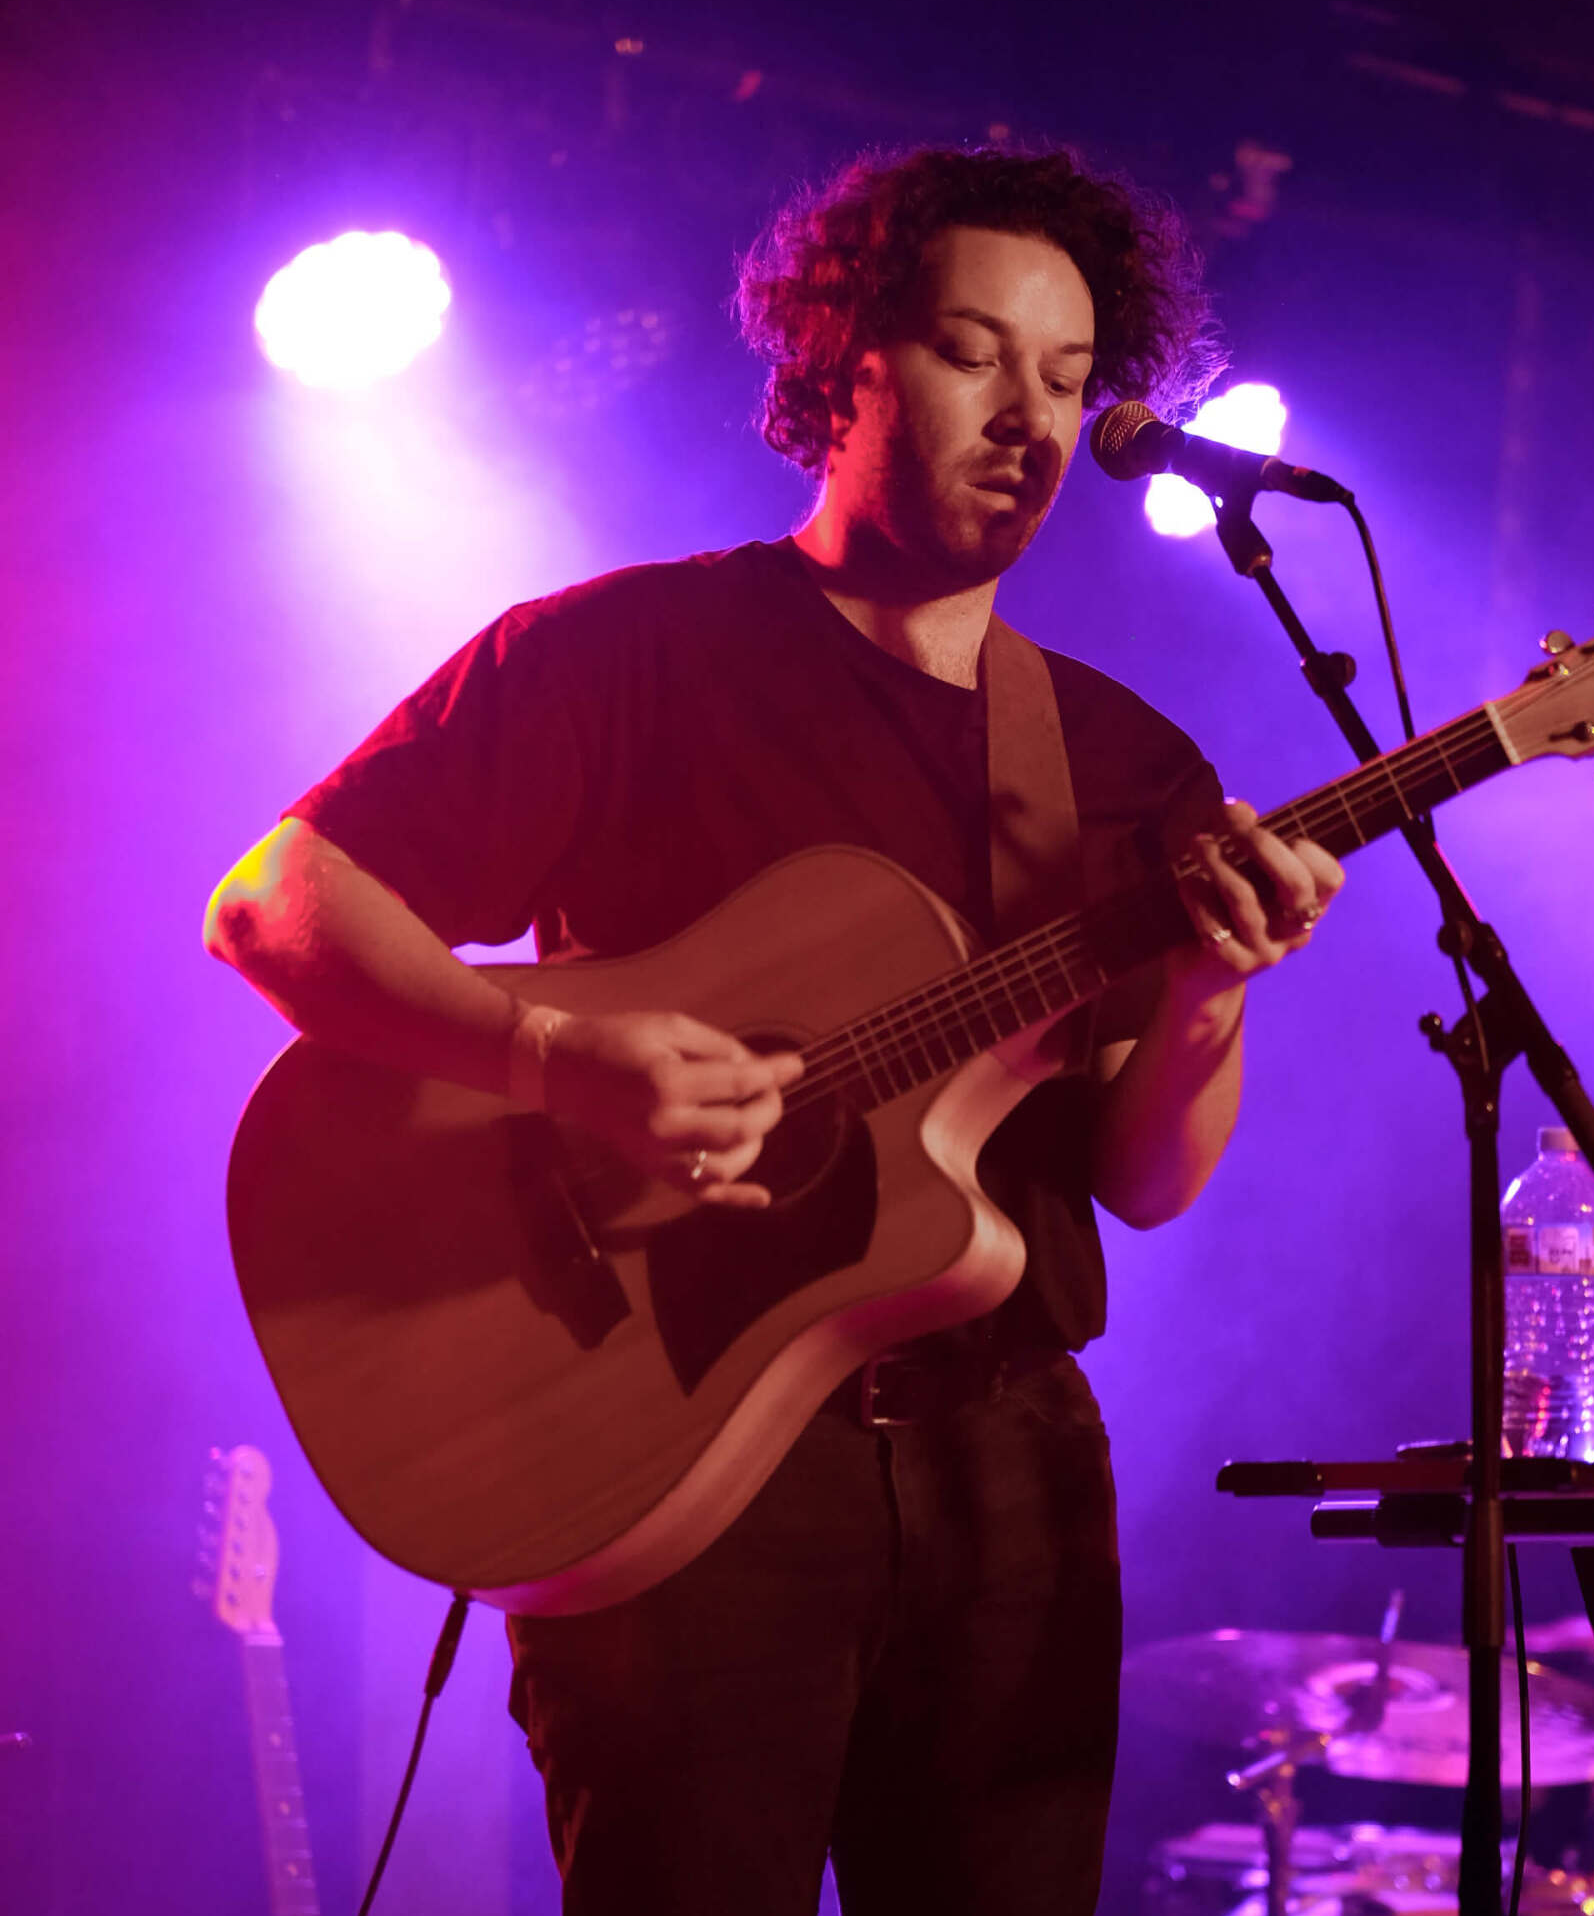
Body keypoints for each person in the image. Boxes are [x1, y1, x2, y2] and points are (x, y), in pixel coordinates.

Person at [205, 145, 1343, 1915]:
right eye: (979, 354)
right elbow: (277, 904)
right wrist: (554, 1058)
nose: (1031, 420)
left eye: (1067, 376)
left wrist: (1205, 996)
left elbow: (1148, 1185)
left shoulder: (1123, 768)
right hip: (673, 1468)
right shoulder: (631, 655)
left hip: (1012, 1484)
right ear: (847, 361)